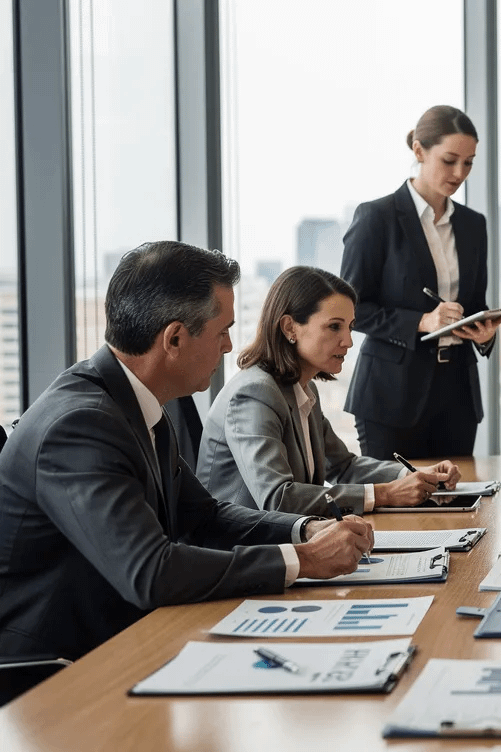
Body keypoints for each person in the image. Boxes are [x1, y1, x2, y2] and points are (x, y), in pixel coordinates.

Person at [0, 242, 373, 688]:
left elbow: (206, 515)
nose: (231, 345)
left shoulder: (136, 404)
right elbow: (151, 571)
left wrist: (304, 530)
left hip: (125, 636)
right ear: (175, 339)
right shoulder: (81, 424)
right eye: (222, 331)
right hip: (60, 671)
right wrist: (303, 560)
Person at [196, 266, 461, 517]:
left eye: (350, 327)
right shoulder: (255, 393)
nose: (348, 341)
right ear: (290, 328)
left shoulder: (303, 388)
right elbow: (277, 498)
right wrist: (386, 494)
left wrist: (411, 475)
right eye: (334, 326)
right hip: (246, 553)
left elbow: (344, 467)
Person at [340, 105, 501, 459]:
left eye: (469, 162)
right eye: (449, 160)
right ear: (419, 150)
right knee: (394, 507)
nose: (460, 172)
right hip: (391, 396)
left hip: (458, 396)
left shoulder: (473, 225)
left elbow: (475, 302)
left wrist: (485, 332)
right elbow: (352, 310)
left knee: (457, 505)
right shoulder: (376, 218)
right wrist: (423, 321)